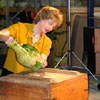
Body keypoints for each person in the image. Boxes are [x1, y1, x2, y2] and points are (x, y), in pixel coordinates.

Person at [0, 6, 63, 76]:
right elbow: (1, 34)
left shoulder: (47, 42)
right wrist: (6, 38)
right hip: (10, 74)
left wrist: (42, 63)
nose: (50, 28)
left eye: (53, 27)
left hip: (30, 76)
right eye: (50, 23)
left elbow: (42, 58)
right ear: (42, 17)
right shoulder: (20, 28)